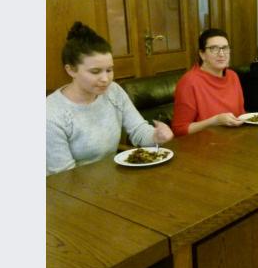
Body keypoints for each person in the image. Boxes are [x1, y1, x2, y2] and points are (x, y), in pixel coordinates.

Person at [46, 22, 173, 175]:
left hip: (112, 179)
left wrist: (155, 136)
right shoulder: (51, 114)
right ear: (71, 70)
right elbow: (63, 176)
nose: (106, 79)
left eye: (109, 70)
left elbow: (138, 130)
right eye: (95, 71)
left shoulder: (113, 91)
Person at [172, 28, 245, 136]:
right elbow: (179, 129)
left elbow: (241, 114)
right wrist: (214, 121)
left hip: (234, 139)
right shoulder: (189, 82)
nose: (221, 54)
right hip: (203, 147)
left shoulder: (233, 76)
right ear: (202, 54)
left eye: (225, 48)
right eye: (214, 48)